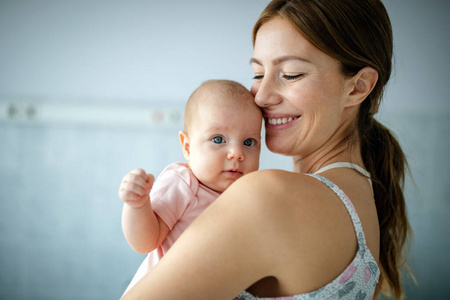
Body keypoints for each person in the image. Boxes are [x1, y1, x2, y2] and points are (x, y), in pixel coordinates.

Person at [121, 0, 413, 299]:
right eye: (259, 74)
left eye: (290, 74)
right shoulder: (364, 198)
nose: (261, 96)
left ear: (358, 87)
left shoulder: (268, 196)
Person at [118, 79, 262, 295]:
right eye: (218, 139)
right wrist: (138, 206)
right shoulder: (184, 183)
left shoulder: (251, 195)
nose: (237, 153)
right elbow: (145, 242)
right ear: (187, 147)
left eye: (249, 142)